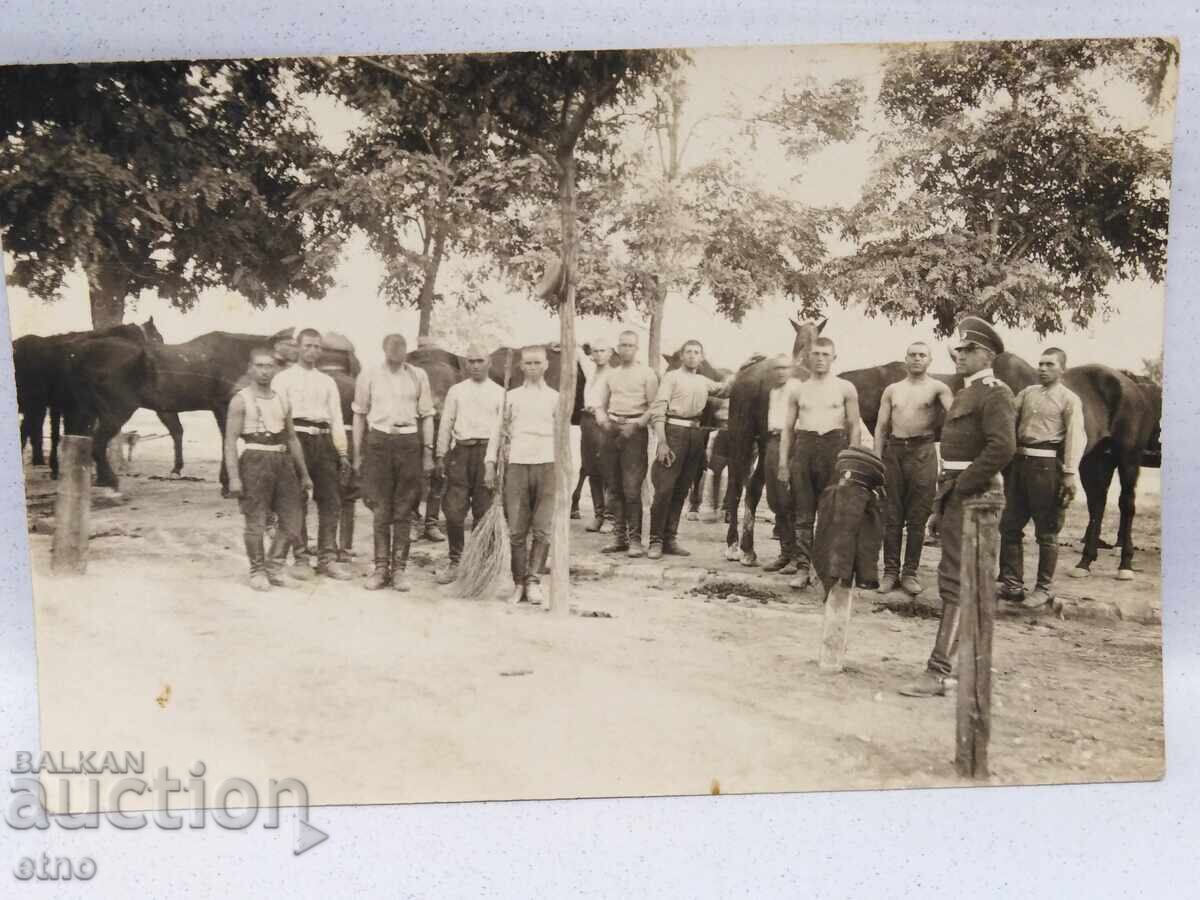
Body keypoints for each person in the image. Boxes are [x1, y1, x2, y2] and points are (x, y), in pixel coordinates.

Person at [899, 316, 1016, 697]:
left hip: (975, 498)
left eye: (968, 351)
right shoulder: (965, 392)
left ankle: (937, 672)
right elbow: (951, 457)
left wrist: (963, 489)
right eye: (960, 350)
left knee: (956, 582)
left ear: (987, 355)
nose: (959, 356)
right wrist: (941, 503)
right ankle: (963, 668)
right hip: (957, 494)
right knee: (961, 581)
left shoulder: (995, 393)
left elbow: (1002, 447)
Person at [999, 347, 1086, 609]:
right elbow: (1008, 421)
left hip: (1047, 467)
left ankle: (1044, 588)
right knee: (1010, 525)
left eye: (1049, 364)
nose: (1043, 369)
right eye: (1040, 364)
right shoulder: (1026, 394)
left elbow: (1075, 438)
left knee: (1047, 531)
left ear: (1062, 369)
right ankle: (1012, 585)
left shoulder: (1069, 399)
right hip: (1019, 465)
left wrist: (1069, 473)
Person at [224, 346, 312, 591]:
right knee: (256, 520)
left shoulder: (282, 399)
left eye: (269, 366)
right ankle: (257, 570)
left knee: (293, 519)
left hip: (283, 461)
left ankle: (274, 566)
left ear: (275, 369)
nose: (264, 371)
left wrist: (304, 474)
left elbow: (292, 438)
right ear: (250, 369)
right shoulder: (240, 400)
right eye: (259, 366)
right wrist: (233, 477)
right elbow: (230, 441)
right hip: (254, 460)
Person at [352, 334, 436, 591]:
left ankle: (399, 570)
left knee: (404, 508)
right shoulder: (369, 374)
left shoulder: (418, 375)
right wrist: (358, 453)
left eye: (401, 347)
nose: (397, 351)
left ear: (407, 350)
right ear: (383, 348)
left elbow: (427, 416)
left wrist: (428, 453)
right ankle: (380, 569)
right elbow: (359, 414)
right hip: (379, 441)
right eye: (392, 347)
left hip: (409, 441)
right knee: (381, 508)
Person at [779, 337, 862, 590]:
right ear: (807, 356)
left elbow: (854, 426)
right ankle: (803, 568)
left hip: (835, 448)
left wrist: (853, 460)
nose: (820, 358)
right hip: (804, 449)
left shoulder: (845, 388)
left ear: (834, 358)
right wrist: (783, 462)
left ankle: (827, 570)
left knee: (833, 513)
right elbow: (787, 428)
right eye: (816, 353)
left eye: (826, 354)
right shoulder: (798, 390)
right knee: (803, 513)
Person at [271, 328, 353, 580]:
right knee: (296, 501)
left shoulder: (327, 381)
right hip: (296, 440)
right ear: (297, 347)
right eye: (308, 346)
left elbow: (337, 418)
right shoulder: (282, 379)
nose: (313, 351)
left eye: (317, 347)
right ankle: (302, 558)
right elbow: (277, 417)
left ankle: (327, 558)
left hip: (323, 440)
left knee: (331, 500)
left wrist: (342, 452)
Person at [874, 342, 954, 595]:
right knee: (891, 517)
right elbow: (881, 427)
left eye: (922, 355)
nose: (917, 359)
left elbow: (955, 417)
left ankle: (909, 573)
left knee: (917, 518)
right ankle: (889, 572)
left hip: (923, 452)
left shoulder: (938, 388)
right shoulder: (892, 389)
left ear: (930, 360)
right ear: (905, 358)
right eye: (912, 355)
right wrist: (876, 460)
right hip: (895, 452)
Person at [646, 339, 733, 559]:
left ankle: (670, 539)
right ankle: (655, 541)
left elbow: (725, 389)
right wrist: (663, 442)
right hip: (674, 432)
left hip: (695, 435)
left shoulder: (703, 381)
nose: (693, 356)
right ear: (682, 356)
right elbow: (659, 409)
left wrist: (745, 367)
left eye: (697, 353)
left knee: (681, 490)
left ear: (701, 358)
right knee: (664, 489)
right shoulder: (671, 377)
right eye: (688, 352)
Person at [485, 345, 558, 604]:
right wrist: (490, 463)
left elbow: (563, 438)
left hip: (548, 465)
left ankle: (534, 581)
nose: (533, 368)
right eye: (528, 363)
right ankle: (518, 582)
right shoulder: (511, 397)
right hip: (517, 464)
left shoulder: (555, 398)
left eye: (538, 363)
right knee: (516, 528)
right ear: (521, 366)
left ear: (546, 365)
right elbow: (497, 432)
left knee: (543, 528)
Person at [434, 343, 506, 585]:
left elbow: (503, 431)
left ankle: (478, 563)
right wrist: (441, 454)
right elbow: (446, 423)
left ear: (489, 363)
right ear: (465, 364)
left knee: (484, 511)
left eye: (480, 361)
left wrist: (496, 463)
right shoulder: (457, 391)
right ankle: (456, 561)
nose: (475, 365)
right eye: (471, 361)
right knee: (453, 511)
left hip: (488, 454)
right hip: (461, 452)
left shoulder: (499, 393)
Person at [593, 330, 660, 557]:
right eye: (622, 345)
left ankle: (635, 540)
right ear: (617, 348)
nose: (626, 349)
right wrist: (603, 421)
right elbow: (599, 404)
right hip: (612, 429)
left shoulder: (647, 374)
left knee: (632, 488)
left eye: (630, 345)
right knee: (613, 487)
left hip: (634, 432)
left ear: (636, 348)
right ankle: (619, 537)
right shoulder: (610, 375)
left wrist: (638, 424)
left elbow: (654, 406)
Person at [762, 355, 805, 574]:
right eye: (776, 369)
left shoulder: (797, 387)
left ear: (792, 370)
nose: (780, 372)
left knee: (790, 500)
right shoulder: (772, 391)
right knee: (776, 499)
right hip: (772, 441)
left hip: (791, 443)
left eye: (784, 368)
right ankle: (785, 554)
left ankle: (799, 558)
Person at [572, 340, 614, 533]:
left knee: (608, 468)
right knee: (591, 468)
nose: (598, 354)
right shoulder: (592, 371)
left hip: (604, 421)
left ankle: (610, 517)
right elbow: (579, 352)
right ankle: (598, 515)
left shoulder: (614, 374)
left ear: (611, 353)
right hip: (587, 421)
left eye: (602, 350)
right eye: (595, 351)